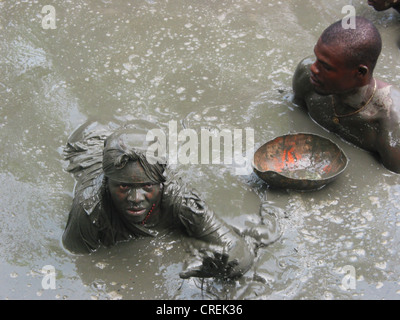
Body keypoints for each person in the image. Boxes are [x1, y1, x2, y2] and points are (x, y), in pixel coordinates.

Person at [62, 118, 280, 279]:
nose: (135, 198)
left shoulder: (180, 198)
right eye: (123, 186)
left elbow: (237, 248)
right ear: (106, 183)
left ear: (161, 183)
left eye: (146, 186)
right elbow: (78, 263)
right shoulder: (89, 209)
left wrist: (226, 266)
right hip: (86, 140)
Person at [292, 17, 400, 173]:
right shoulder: (305, 75)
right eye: (316, 58)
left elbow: (394, 179)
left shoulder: (391, 122)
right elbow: (294, 113)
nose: (314, 69)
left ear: (360, 73)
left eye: (326, 67)